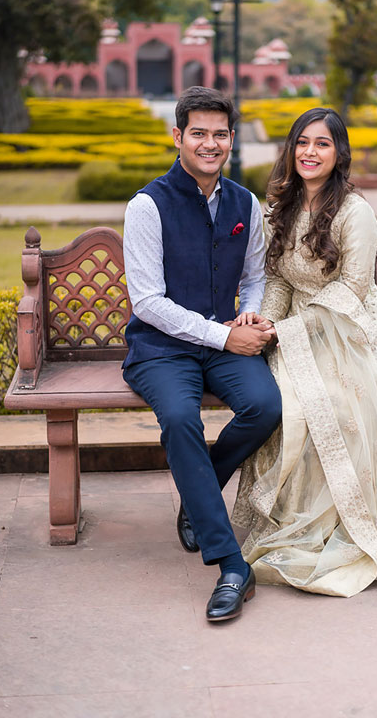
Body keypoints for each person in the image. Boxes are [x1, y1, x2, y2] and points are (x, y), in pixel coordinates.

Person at [231, 107, 377, 597]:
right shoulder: (282, 208)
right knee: (286, 401)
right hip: (296, 326)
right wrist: (268, 320)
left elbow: (354, 287)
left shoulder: (355, 212)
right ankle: (293, 517)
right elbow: (276, 278)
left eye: (322, 144)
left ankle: (350, 524)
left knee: (335, 404)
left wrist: (287, 329)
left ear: (339, 155)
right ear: (291, 150)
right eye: (302, 143)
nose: (310, 152)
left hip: (350, 327)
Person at [122, 86, 281, 621]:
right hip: (162, 348)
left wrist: (249, 314)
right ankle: (231, 564)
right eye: (198, 133)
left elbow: (256, 275)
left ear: (231, 140)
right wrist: (222, 337)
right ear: (178, 137)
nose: (209, 144)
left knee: (266, 406)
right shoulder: (147, 205)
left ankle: (198, 495)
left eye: (219, 134)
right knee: (180, 418)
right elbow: (146, 301)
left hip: (222, 339)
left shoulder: (245, 202)